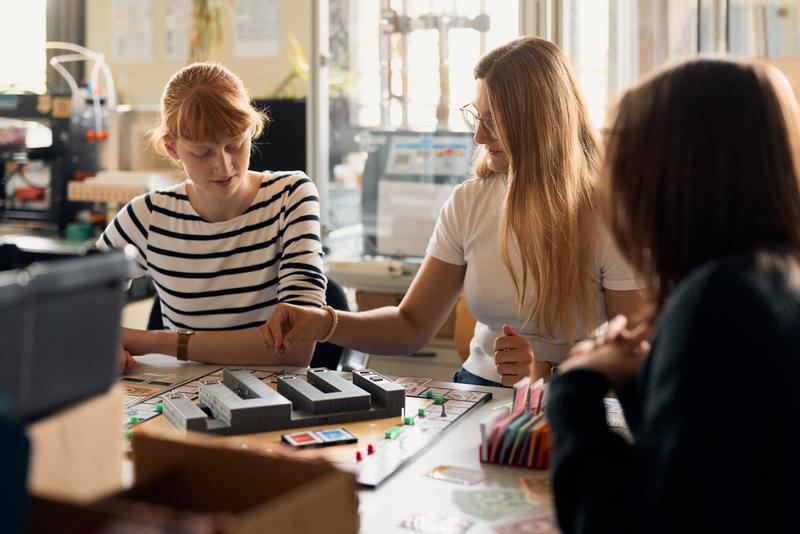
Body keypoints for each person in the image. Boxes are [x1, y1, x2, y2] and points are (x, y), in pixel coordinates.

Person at [263, 37, 644, 387]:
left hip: (575, 397)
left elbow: (638, 356)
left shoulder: (608, 214)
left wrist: (549, 373)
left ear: (537, 125)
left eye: (493, 122)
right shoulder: (469, 202)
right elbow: (411, 324)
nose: (478, 137)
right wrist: (324, 322)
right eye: (477, 118)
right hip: (476, 388)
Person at [547, 58, 800, 533]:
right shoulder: (773, 280)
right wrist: (637, 381)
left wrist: (575, 388)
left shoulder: (716, 303)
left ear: (664, 178)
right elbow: (701, 471)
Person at [97, 63, 326, 369]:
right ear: (172, 147)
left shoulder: (290, 196)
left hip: (275, 398)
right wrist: (102, 343)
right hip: (182, 399)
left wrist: (145, 340)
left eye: (236, 144)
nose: (224, 166)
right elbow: (70, 305)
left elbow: (294, 348)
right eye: (203, 152)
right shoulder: (148, 217)